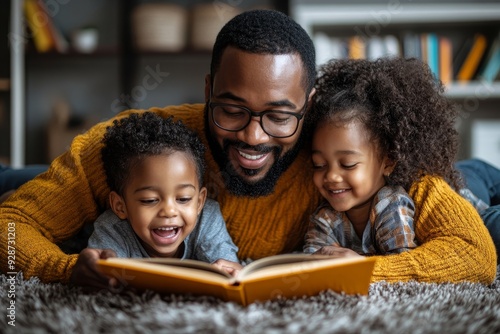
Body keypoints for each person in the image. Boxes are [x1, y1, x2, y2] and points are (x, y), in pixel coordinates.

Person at [0, 9, 496, 288]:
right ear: (209, 88)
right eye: (232, 110)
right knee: (20, 182)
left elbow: (472, 253)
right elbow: (10, 227)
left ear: (310, 104)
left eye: (280, 116)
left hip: (457, 186)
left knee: (478, 192)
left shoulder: (339, 146)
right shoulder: (141, 146)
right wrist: (64, 269)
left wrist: (360, 272)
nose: (254, 138)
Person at [303, 57, 489, 259]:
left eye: (347, 164)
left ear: (388, 161)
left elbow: (401, 262)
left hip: (469, 189)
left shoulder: (390, 204)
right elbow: (313, 260)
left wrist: (359, 262)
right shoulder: (325, 217)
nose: (331, 175)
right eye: (319, 165)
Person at [86, 112, 241, 281]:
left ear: (199, 201)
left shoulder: (207, 218)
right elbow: (103, 278)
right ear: (120, 206)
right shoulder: (112, 229)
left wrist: (228, 271)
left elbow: (228, 266)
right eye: (150, 200)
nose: (169, 211)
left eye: (183, 199)